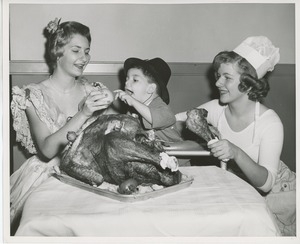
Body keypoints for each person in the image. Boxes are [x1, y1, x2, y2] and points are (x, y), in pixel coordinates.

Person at [176, 36, 296, 236]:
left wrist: (236, 153)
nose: (217, 82)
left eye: (226, 77)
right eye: (218, 75)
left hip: (278, 196)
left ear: (248, 83)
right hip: (239, 191)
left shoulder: (270, 123)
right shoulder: (217, 109)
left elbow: (266, 184)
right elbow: (176, 120)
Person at [10, 18, 114, 225]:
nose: (84, 58)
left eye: (87, 51)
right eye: (76, 50)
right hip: (48, 174)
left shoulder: (92, 90)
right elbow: (47, 151)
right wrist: (83, 114)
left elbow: (105, 140)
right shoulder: (32, 95)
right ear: (58, 51)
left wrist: (114, 110)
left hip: (88, 171)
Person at [114, 57, 185, 149]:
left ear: (151, 88)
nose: (127, 83)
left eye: (135, 80)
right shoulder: (133, 110)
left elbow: (156, 118)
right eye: (127, 79)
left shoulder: (162, 108)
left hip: (176, 157)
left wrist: (133, 102)